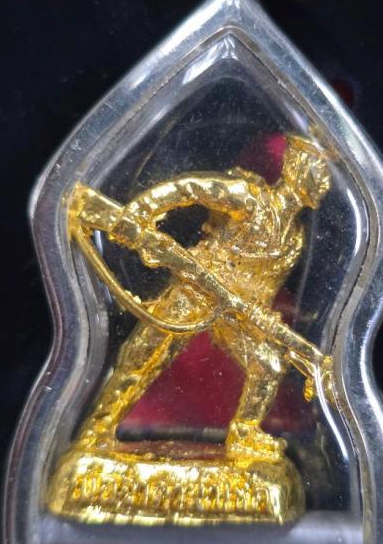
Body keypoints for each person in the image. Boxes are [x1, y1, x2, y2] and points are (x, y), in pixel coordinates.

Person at [71, 134, 331, 462]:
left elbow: (265, 286)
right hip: (196, 290)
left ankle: (245, 434)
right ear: (296, 167)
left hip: (234, 310)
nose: (325, 182)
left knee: (267, 363)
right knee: (145, 355)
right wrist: (142, 209)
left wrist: (261, 316)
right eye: (320, 171)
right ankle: (97, 431)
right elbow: (189, 188)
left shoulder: (295, 239)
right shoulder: (251, 199)